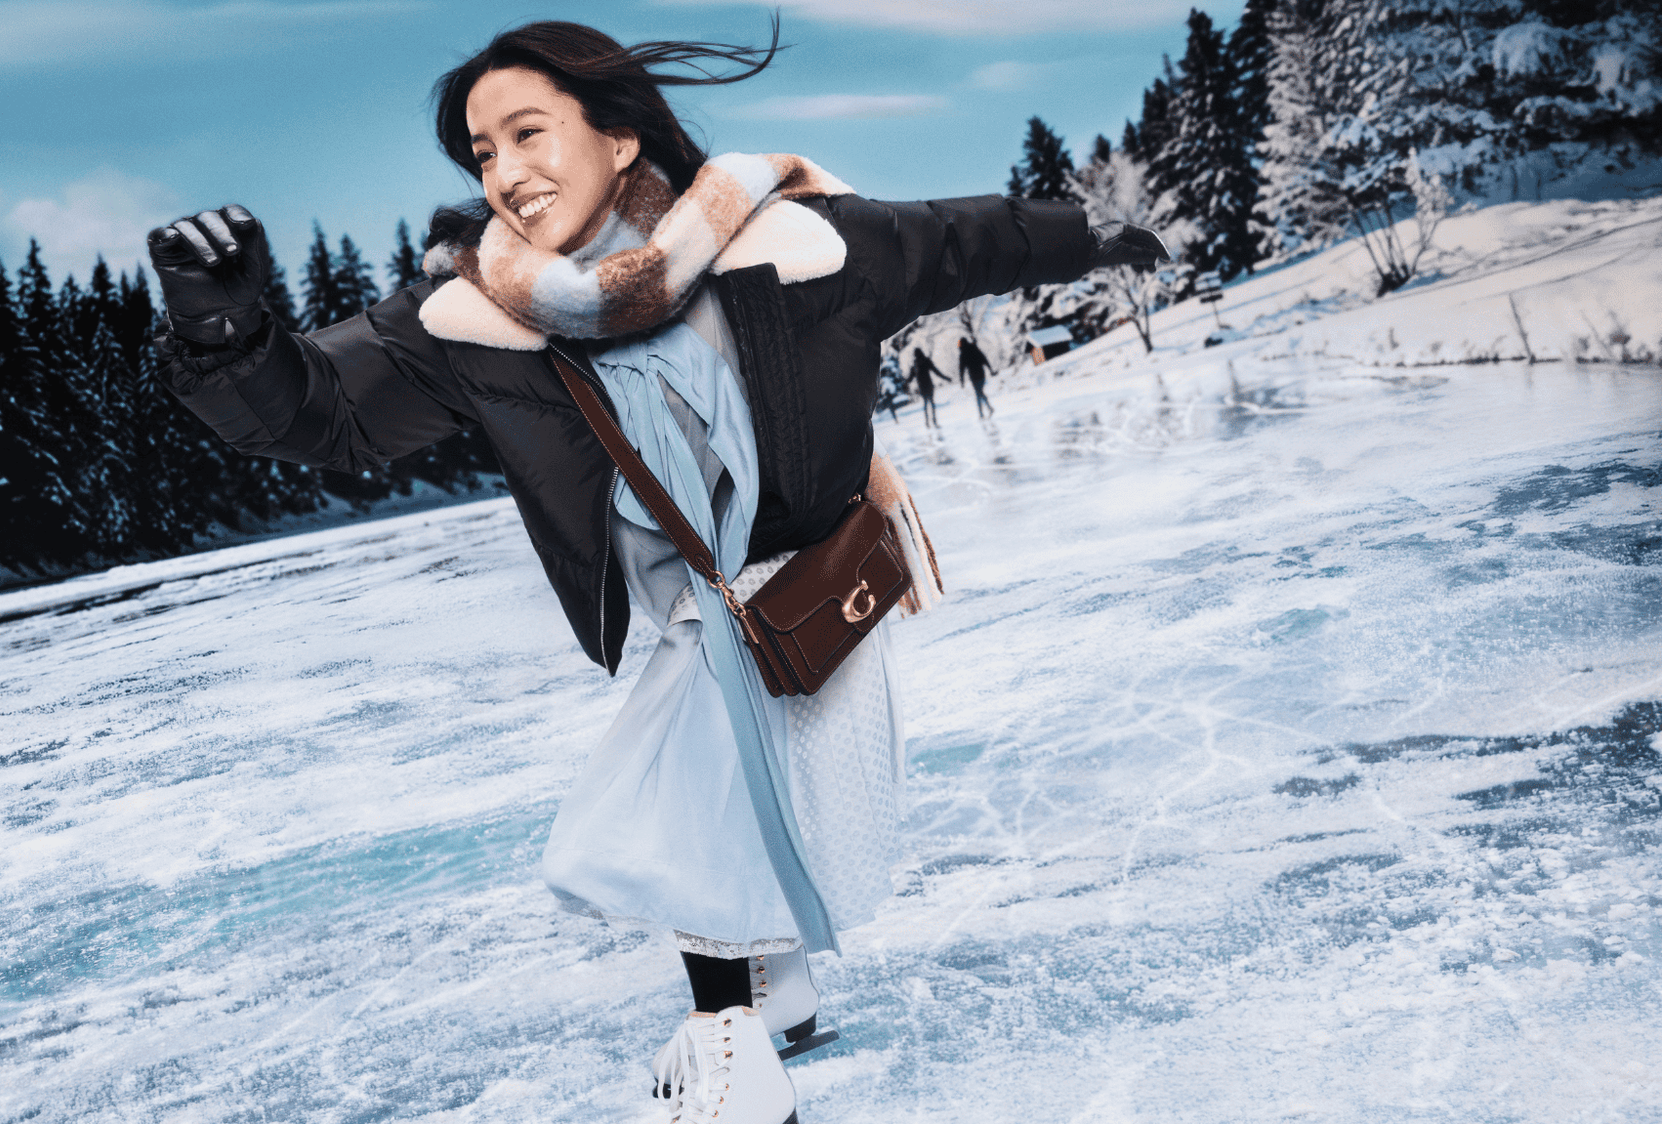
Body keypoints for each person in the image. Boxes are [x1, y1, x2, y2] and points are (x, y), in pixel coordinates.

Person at [146, 21, 1166, 1123]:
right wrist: (227, 328)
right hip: (697, 608)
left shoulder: (796, 248)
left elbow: (976, 239)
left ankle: (731, 1053)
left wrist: (1120, 226)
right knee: (706, 791)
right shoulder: (474, 316)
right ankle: (767, 990)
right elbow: (323, 415)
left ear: (619, 136)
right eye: (482, 153)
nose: (504, 172)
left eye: (527, 133)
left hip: (806, 583)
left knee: (692, 804)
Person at [907, 346, 943, 428]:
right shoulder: (926, 361)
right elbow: (936, 371)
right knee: (932, 403)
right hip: (929, 385)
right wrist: (946, 378)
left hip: (922, 387)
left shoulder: (914, 365)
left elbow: (910, 378)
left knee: (925, 404)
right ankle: (934, 421)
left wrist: (904, 383)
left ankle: (927, 422)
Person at [958, 335, 993, 418]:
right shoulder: (974, 348)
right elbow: (984, 358)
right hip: (981, 373)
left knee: (978, 393)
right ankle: (986, 409)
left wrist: (962, 381)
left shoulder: (963, 354)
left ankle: (983, 411)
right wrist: (990, 369)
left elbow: (961, 369)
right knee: (979, 392)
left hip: (973, 376)